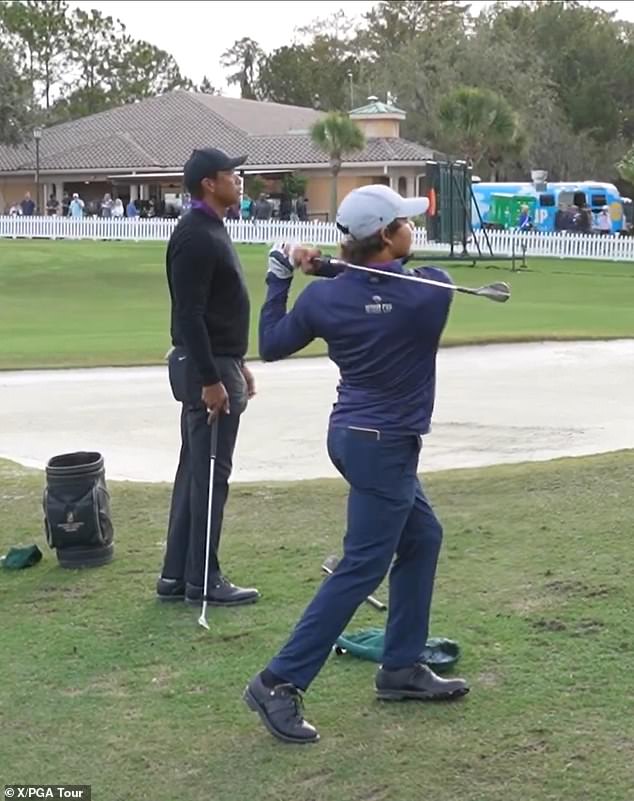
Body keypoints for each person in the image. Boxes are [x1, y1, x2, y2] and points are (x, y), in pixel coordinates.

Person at [243, 184, 469, 744]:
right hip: (383, 445)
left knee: (423, 537)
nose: (413, 230)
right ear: (388, 238)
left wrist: (285, 277)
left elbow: (271, 342)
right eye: (405, 225)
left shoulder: (326, 300)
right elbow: (405, 283)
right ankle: (278, 682)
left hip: (352, 437)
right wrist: (332, 269)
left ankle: (400, 667)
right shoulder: (430, 296)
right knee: (363, 565)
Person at [156, 147, 259, 607]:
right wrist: (212, 378)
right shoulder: (197, 235)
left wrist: (237, 363)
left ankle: (176, 575)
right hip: (207, 370)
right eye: (230, 175)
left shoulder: (209, 228)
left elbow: (216, 312)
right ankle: (203, 578)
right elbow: (190, 316)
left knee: (197, 471)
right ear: (207, 185)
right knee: (211, 474)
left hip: (221, 362)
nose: (239, 181)